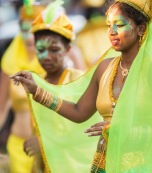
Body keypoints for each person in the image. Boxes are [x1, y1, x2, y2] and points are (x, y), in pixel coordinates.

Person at [10, 0, 152, 172]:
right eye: (109, 25)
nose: (112, 32)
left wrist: (119, 130)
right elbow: (79, 112)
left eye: (120, 24)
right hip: (105, 164)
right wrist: (38, 90)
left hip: (144, 166)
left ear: (141, 28)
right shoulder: (105, 67)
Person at [22, 2, 101, 172]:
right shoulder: (37, 83)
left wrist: (45, 142)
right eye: (41, 49)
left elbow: (88, 131)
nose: (47, 56)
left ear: (67, 49)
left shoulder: (79, 81)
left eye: (54, 49)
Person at [0, 3, 46, 173]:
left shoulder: (54, 59)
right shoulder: (10, 60)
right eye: (23, 28)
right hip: (17, 146)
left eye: (32, 29)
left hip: (46, 146)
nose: (28, 36)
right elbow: (1, 109)